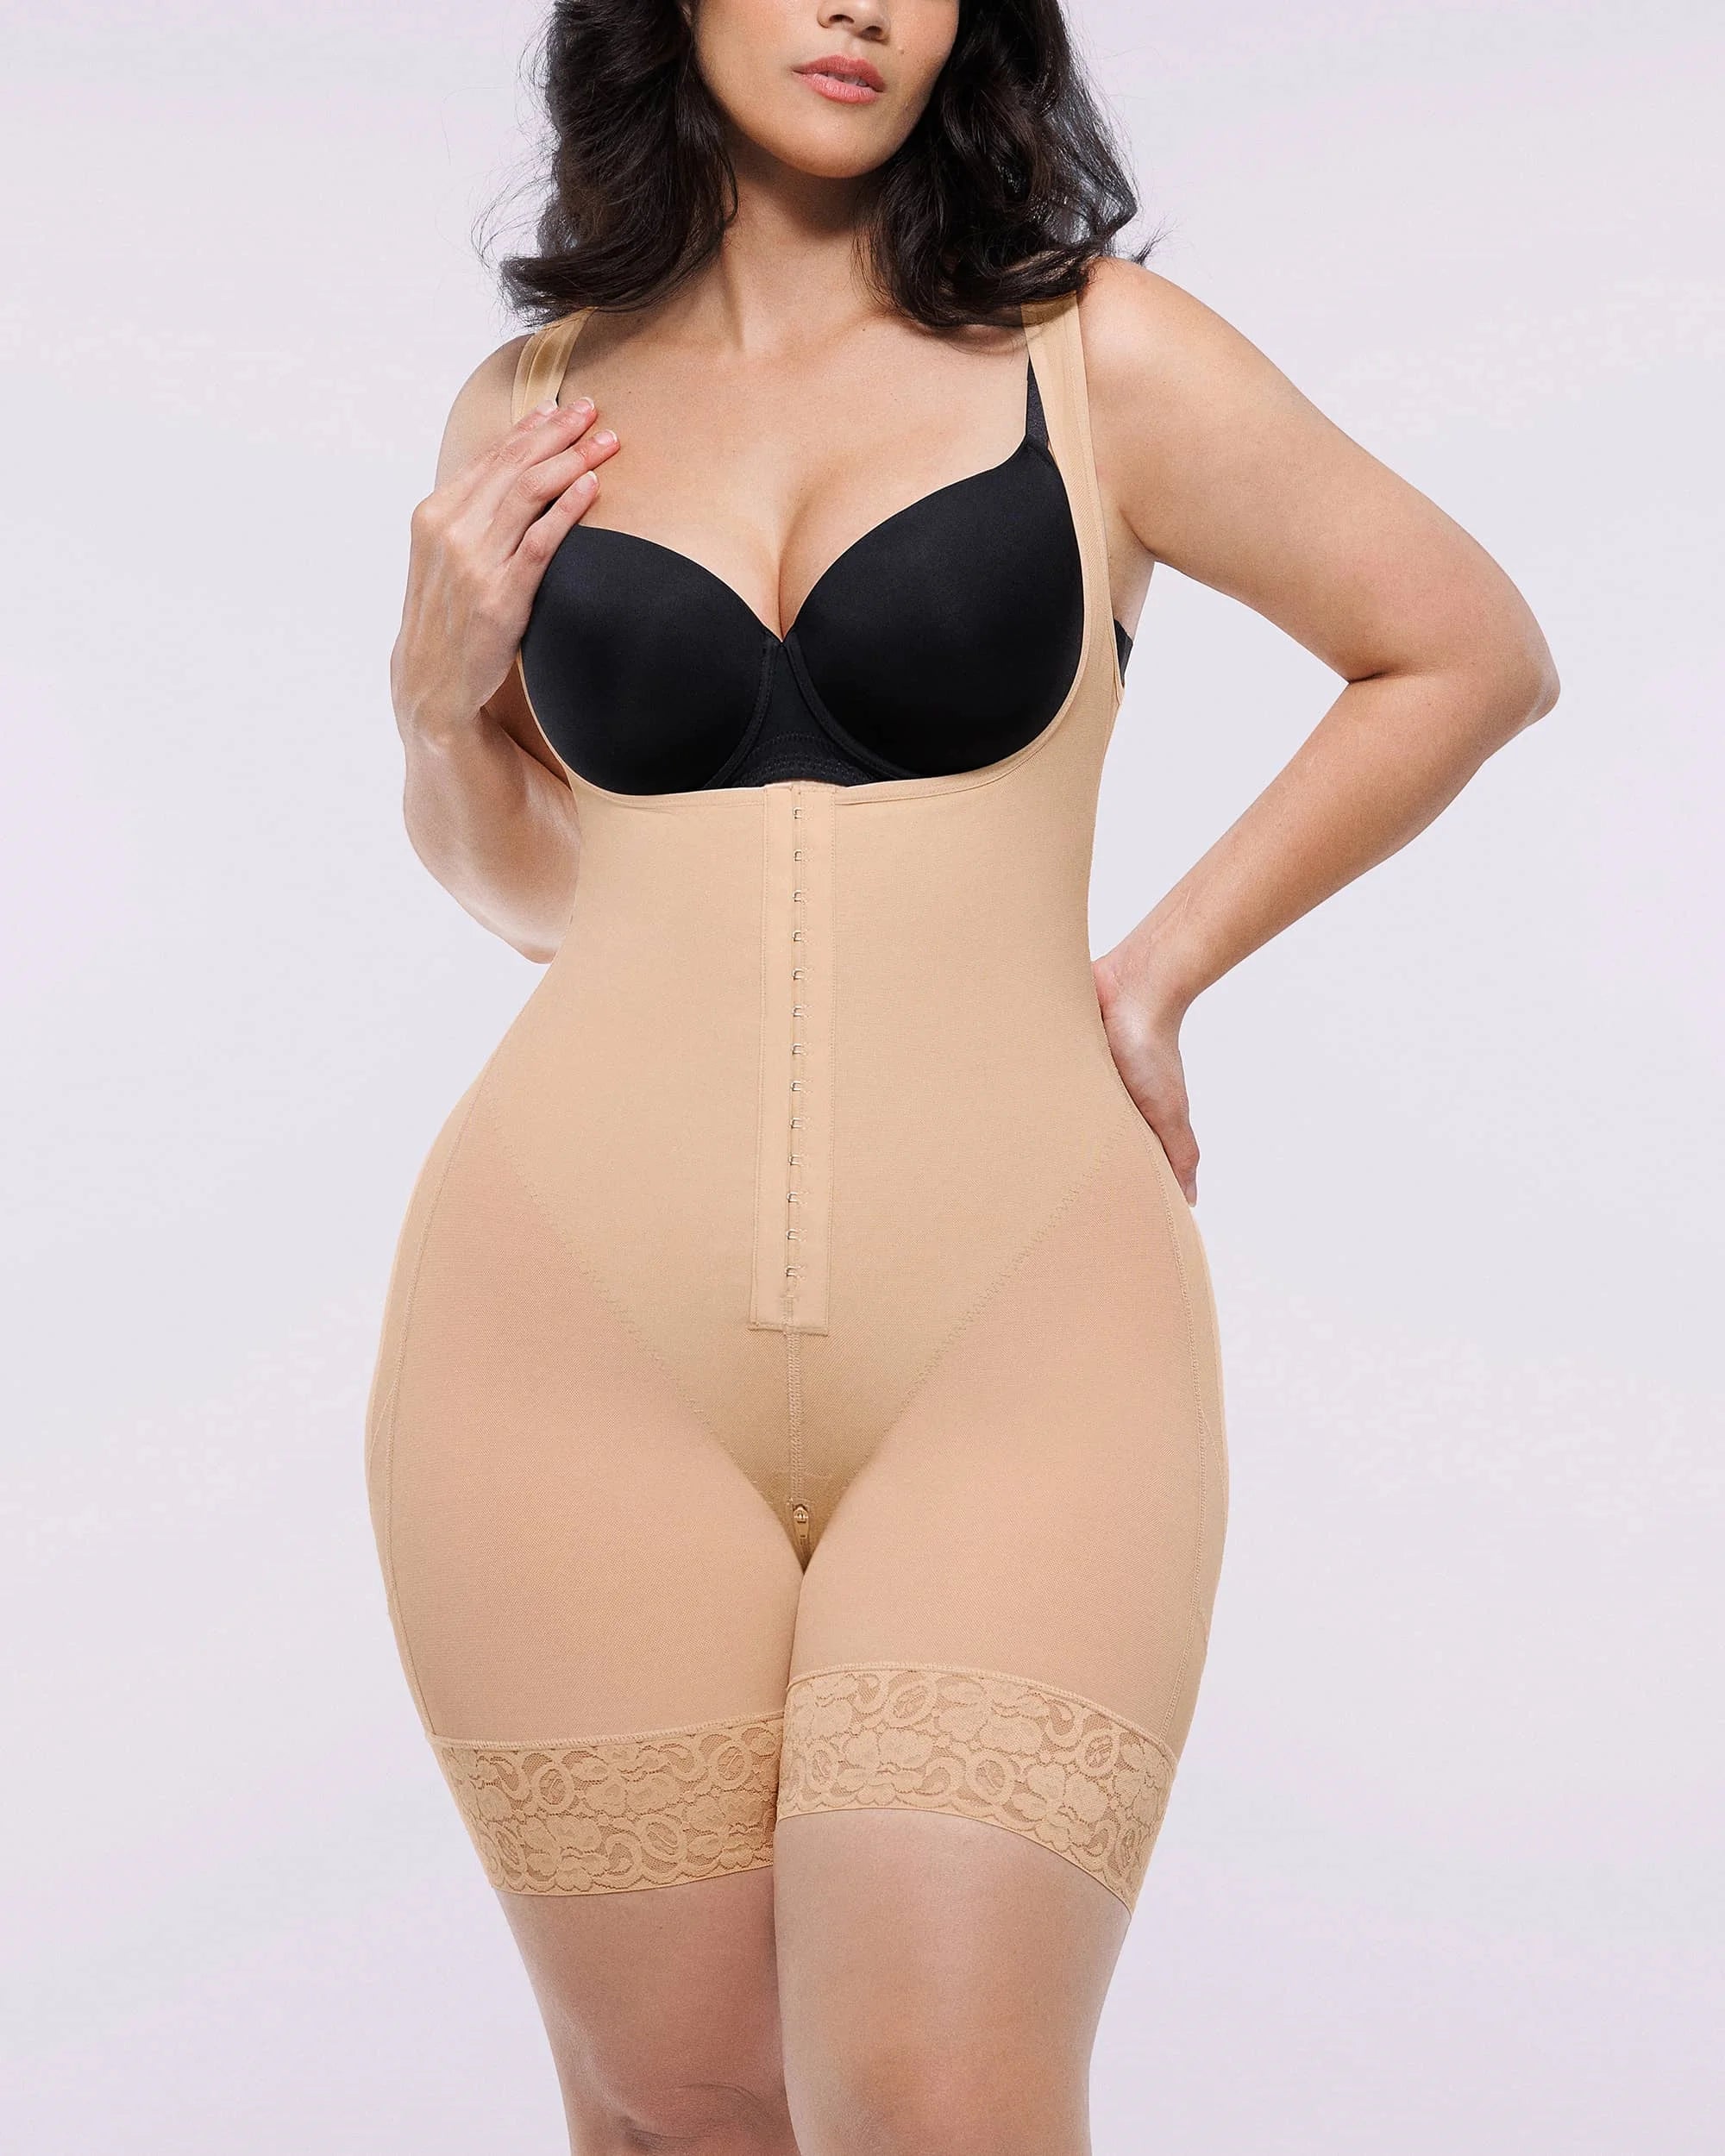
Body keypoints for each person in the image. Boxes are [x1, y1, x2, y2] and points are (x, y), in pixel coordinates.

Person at [367, 2, 1559, 2147]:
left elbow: (1462, 646)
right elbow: (541, 890)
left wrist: (1160, 969)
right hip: (562, 1332)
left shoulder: (1098, 357)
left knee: (943, 2100)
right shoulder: (531, 406)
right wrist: (437, 704)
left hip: (1020, 1333)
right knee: (677, 2106)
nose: (860, 6)